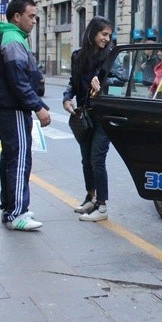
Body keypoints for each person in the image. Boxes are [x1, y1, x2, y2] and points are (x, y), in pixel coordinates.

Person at [0, 0, 51, 231]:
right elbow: (19, 80)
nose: (34, 21)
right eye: (31, 16)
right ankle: (17, 213)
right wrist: (38, 107)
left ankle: (10, 208)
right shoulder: (13, 39)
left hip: (8, 107)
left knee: (11, 157)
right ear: (17, 17)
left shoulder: (11, 37)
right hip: (13, 108)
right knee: (20, 158)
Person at [62, 16, 115, 221]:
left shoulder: (112, 57)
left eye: (109, 35)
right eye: (104, 34)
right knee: (86, 160)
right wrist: (67, 98)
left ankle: (102, 207)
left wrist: (104, 84)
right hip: (84, 116)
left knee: (97, 159)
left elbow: (120, 82)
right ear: (93, 33)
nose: (106, 38)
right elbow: (72, 84)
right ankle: (91, 198)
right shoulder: (78, 56)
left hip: (102, 115)